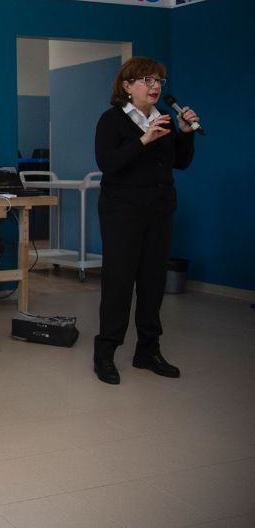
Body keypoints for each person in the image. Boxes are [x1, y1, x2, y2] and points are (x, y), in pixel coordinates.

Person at [93, 57, 199, 385]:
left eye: (158, 81)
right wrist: (142, 140)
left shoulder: (163, 118)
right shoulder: (111, 120)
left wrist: (185, 134)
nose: (155, 87)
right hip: (122, 211)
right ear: (127, 86)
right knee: (119, 281)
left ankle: (148, 351)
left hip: (159, 211)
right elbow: (107, 163)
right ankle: (105, 353)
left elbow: (180, 162)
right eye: (147, 80)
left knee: (153, 282)